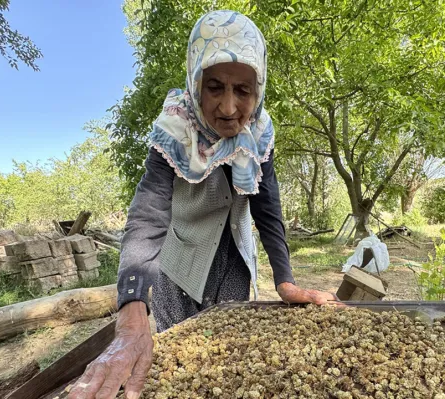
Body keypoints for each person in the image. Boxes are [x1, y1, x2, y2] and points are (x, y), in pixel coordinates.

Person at [69, 10, 337, 399]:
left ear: (258, 90)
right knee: (174, 369)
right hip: (178, 265)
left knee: (224, 366)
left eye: (243, 91)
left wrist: (286, 280)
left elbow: (267, 207)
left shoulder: (260, 132)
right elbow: (148, 212)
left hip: (233, 260)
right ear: (196, 83)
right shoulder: (175, 127)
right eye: (215, 87)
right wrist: (131, 312)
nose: (229, 109)